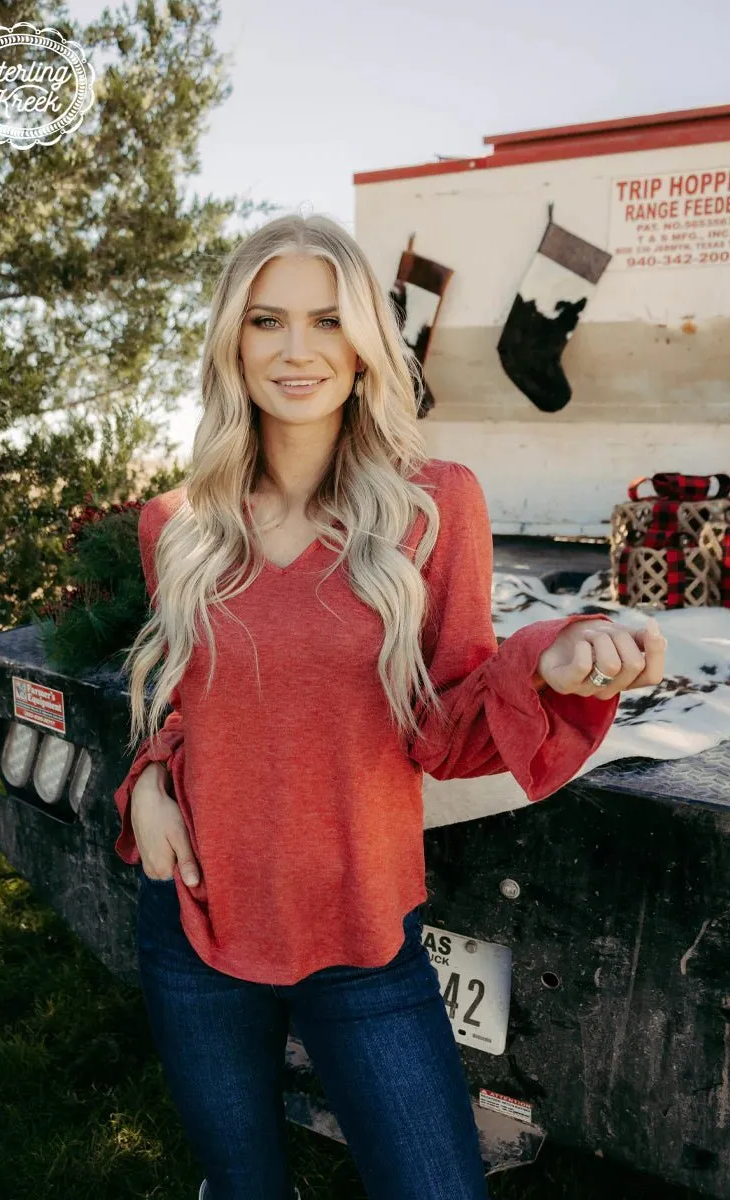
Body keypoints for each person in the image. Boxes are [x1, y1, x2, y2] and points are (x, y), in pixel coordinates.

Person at [113, 214, 666, 1200]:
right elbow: (187, 701)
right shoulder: (178, 524)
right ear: (230, 342)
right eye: (266, 321)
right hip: (195, 921)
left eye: (327, 320)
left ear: (366, 339)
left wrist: (545, 659)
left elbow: (444, 727)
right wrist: (151, 776)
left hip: (360, 938)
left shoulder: (432, 503)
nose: (296, 351)